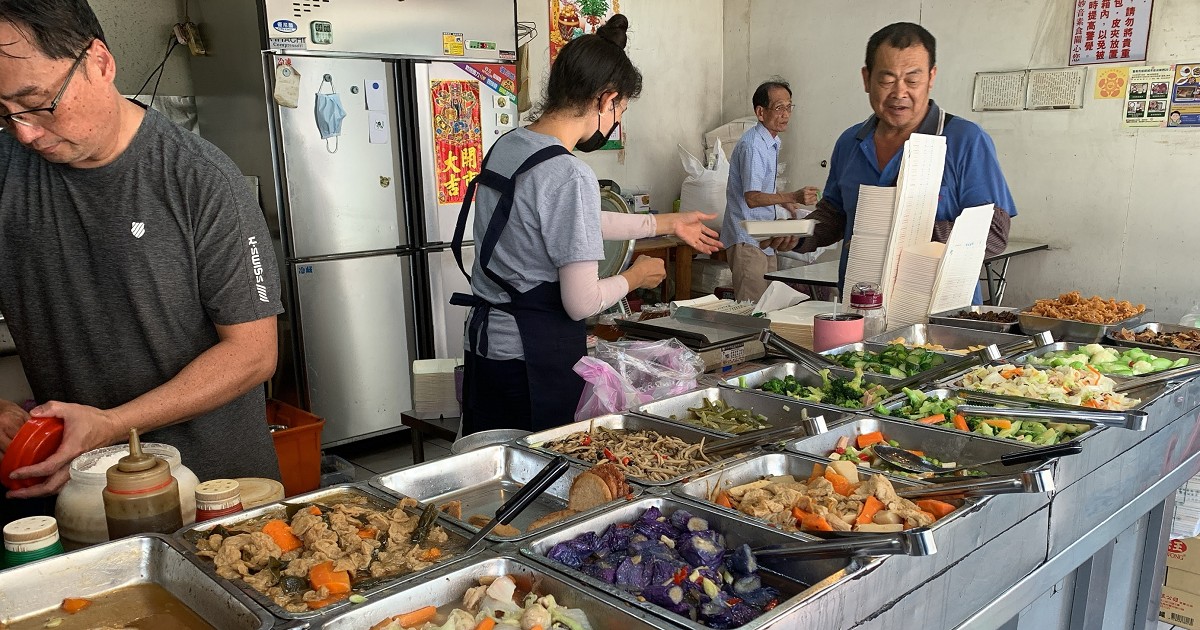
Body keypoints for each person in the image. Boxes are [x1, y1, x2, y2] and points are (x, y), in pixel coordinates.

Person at [0, 0, 283, 522]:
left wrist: (111, 423)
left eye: (38, 103)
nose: (25, 133)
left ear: (101, 63)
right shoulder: (6, 172)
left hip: (212, 493)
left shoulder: (200, 180)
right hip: (73, 491)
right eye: (3, 112)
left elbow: (252, 354)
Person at [451, 14, 722, 435]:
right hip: (531, 361)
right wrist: (635, 277)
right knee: (539, 483)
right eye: (621, 110)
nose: (616, 122)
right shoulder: (567, 172)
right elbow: (581, 301)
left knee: (494, 474)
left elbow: (568, 220)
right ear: (605, 98)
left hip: (487, 351)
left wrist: (665, 223)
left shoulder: (512, 145)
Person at [798, 22, 1016, 303]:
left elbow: (994, 233)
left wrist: (900, 235)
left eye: (912, 79)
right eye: (886, 80)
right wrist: (798, 236)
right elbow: (836, 214)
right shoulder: (850, 142)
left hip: (941, 317)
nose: (899, 93)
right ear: (866, 79)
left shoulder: (965, 140)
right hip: (860, 310)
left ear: (931, 77)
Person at [721, 79, 820, 302]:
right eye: (778, 108)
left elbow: (763, 186)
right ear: (760, 112)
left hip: (764, 237)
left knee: (768, 306)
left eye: (789, 107)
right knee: (752, 310)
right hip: (747, 238)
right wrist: (792, 196)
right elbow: (752, 198)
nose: (785, 114)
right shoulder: (754, 146)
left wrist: (785, 203)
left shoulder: (771, 142)